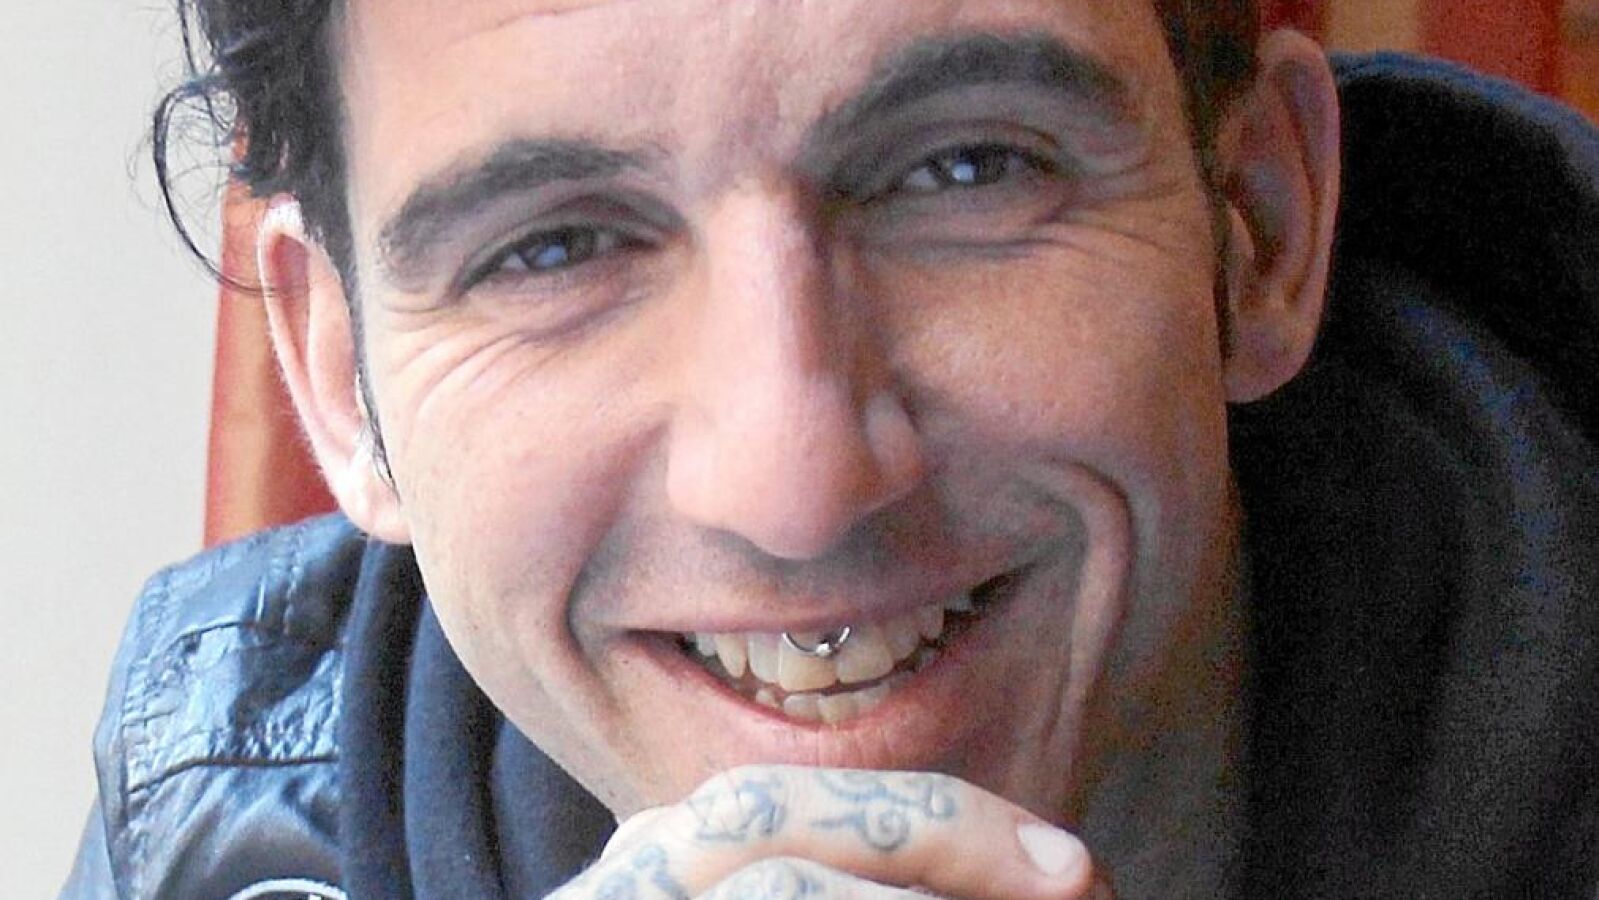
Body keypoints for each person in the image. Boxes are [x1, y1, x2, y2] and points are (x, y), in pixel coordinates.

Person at [62, 1, 1599, 898]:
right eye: (552, 249)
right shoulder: (214, 797)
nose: (795, 489)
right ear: (342, 385)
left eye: (968, 169)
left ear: (1255, 231)